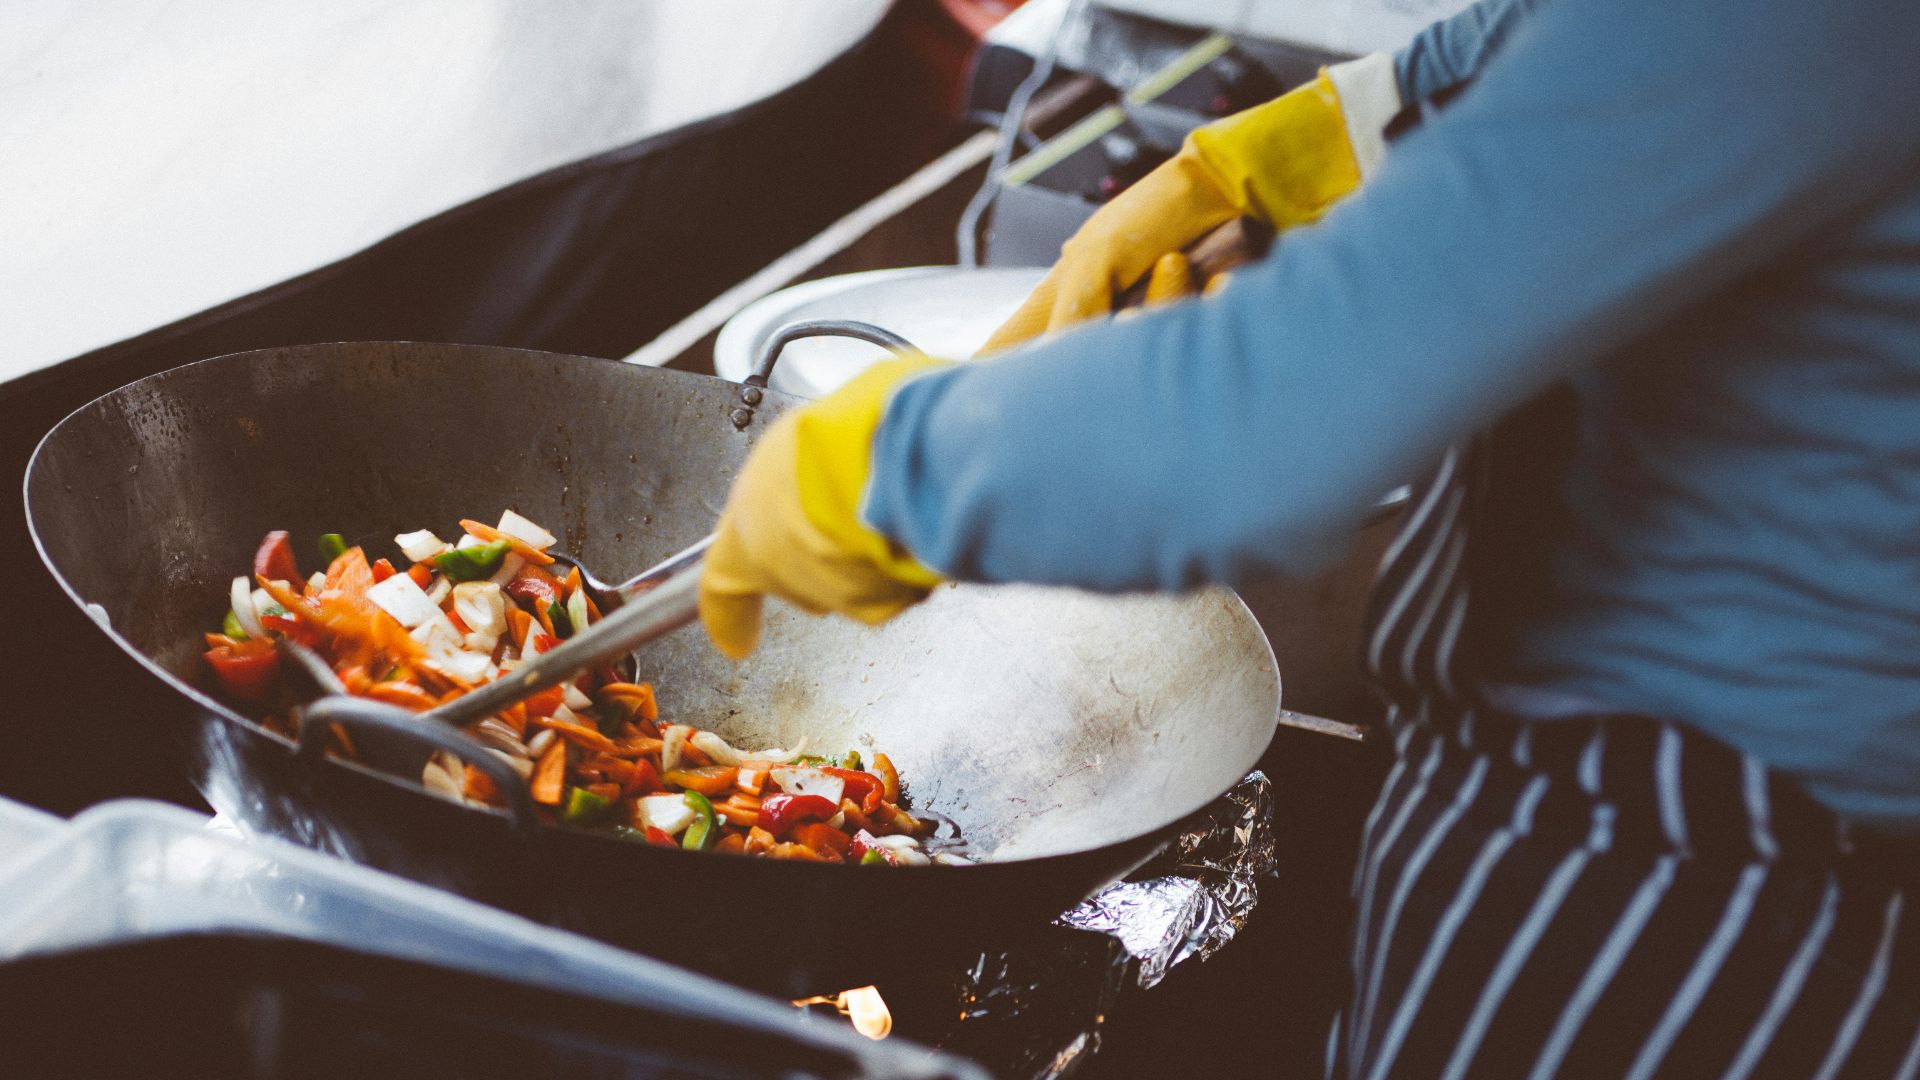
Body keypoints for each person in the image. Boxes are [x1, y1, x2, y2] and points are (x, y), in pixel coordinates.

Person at [698, 0, 1920, 1074]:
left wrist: (887, 465)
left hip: (1688, 878)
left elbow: (1265, 424)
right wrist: (1347, 127)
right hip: (1640, 815)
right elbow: (1583, 41)